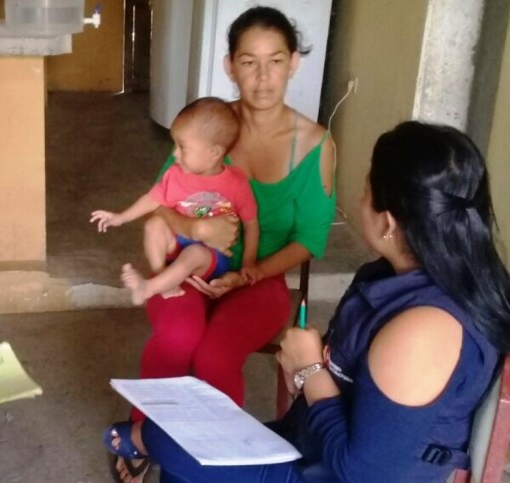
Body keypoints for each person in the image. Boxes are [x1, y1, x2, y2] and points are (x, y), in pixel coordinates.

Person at [107, 120, 510, 482]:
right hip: (314, 438)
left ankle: (139, 439)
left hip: (329, 471)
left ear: (388, 222)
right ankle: (146, 439)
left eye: (367, 188)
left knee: (174, 444)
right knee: (183, 437)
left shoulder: (423, 331)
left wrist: (309, 369)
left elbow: (362, 474)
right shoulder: (408, 275)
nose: (359, 195)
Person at [102, 6, 336, 482]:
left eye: (275, 61)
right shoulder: (203, 125)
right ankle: (148, 434)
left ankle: (208, 460)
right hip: (185, 265)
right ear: (230, 66)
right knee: (179, 336)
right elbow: (161, 203)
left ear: (293, 63)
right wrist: (201, 232)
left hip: (259, 276)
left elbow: (309, 241)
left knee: (215, 354)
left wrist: (247, 273)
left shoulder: (314, 144)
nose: (263, 77)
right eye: (249, 62)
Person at [90, 97, 260, 305]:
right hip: (177, 243)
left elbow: (251, 223)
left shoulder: (236, 183)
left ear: (214, 153)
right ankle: (165, 279)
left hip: (211, 258)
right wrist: (120, 217)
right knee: (153, 224)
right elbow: (151, 199)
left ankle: (150, 287)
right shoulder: (175, 175)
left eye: (182, 147)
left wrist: (248, 263)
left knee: (194, 253)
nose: (174, 153)